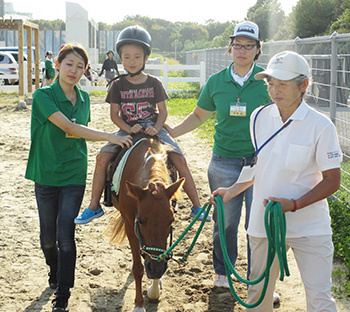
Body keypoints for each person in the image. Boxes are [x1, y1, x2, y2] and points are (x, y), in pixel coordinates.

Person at [208, 50, 342, 311]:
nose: (274, 90)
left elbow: (332, 180)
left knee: (320, 299)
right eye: (270, 83)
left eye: (283, 84)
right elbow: (260, 164)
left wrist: (293, 204)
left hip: (310, 227)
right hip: (264, 223)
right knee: (257, 297)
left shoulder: (321, 126)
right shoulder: (258, 117)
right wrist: (233, 190)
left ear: (303, 85)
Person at [25, 43, 132, 312]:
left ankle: (63, 292)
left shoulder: (83, 99)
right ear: (58, 65)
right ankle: (54, 271)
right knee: (47, 238)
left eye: (80, 66)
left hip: (73, 173)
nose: (74, 70)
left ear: (85, 70)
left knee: (65, 234)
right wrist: (109, 136)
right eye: (69, 64)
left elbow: (78, 130)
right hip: (46, 173)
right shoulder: (43, 96)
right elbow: (71, 128)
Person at [164, 21, 271, 288]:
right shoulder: (216, 82)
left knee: (257, 226)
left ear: (258, 49)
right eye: (237, 45)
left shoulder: (267, 82)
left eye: (248, 46)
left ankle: (258, 281)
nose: (242, 50)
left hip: (259, 164)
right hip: (224, 162)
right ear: (230, 48)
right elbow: (199, 115)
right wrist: (172, 133)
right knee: (224, 223)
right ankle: (223, 272)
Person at [74, 25, 206, 225]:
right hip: (127, 128)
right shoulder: (117, 85)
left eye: (137, 56)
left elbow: (163, 111)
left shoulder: (154, 83)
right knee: (102, 158)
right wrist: (128, 129)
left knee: (179, 160)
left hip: (154, 127)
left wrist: (156, 127)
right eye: (127, 57)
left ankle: (196, 206)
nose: (132, 61)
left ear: (145, 58)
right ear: (121, 58)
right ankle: (94, 205)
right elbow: (115, 116)